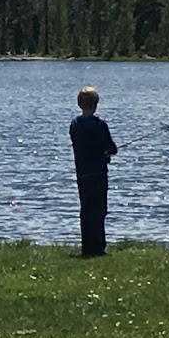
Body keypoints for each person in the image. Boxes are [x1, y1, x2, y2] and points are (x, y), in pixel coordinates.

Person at [69, 86, 117, 258]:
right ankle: (98, 247)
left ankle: (87, 246)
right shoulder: (99, 125)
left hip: (82, 173)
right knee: (99, 210)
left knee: (86, 210)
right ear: (95, 105)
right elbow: (111, 148)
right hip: (98, 173)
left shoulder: (74, 125)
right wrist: (107, 153)